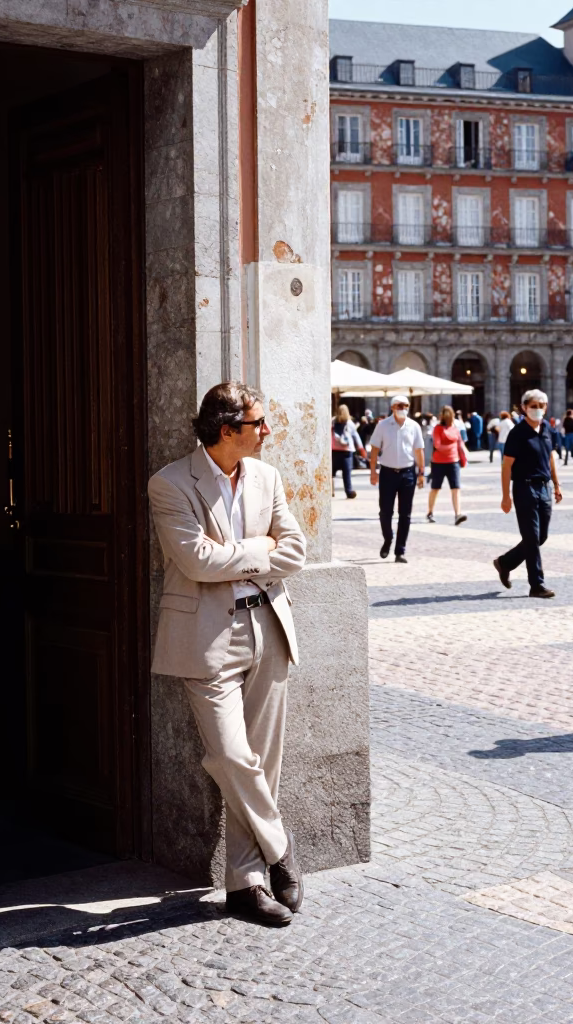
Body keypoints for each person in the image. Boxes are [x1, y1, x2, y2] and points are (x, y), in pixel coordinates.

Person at [147, 382, 307, 927]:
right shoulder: (170, 482)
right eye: (258, 423)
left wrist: (235, 554)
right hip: (207, 636)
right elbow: (195, 561)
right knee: (233, 758)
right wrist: (261, 549)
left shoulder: (267, 477)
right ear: (226, 429)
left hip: (269, 626)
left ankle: (245, 885)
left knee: (263, 761)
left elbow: (296, 551)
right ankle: (280, 846)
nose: (267, 431)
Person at [492, 389, 563, 598]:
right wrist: (506, 496)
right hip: (524, 487)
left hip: (544, 487)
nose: (537, 409)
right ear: (524, 408)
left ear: (546, 408)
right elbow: (506, 466)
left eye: (541, 406)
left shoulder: (548, 429)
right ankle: (536, 585)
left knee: (541, 536)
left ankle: (505, 563)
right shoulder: (517, 433)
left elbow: (550, 458)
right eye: (533, 406)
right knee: (531, 537)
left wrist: (557, 484)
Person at [369, 394, 425, 563]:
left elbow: (419, 450)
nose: (403, 408)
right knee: (385, 511)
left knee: (405, 514)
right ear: (392, 407)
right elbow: (374, 449)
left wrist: (421, 473)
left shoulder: (414, 426)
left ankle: (400, 550)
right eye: (400, 405)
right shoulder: (383, 425)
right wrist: (373, 472)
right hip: (387, 473)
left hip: (408, 473)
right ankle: (388, 538)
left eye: (406, 405)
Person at [427, 405, 468, 526]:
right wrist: (451, 447)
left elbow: (460, 443)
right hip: (438, 463)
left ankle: (457, 514)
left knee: (456, 488)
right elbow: (437, 445)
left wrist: (463, 457)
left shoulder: (455, 428)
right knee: (435, 488)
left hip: (453, 462)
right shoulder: (438, 428)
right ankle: (430, 512)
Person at [331, 404, 366, 499]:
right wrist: (361, 449)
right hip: (347, 451)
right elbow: (356, 437)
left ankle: (330, 490)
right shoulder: (350, 423)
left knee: (331, 473)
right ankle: (349, 491)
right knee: (346, 473)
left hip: (334, 450)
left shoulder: (332, 422)